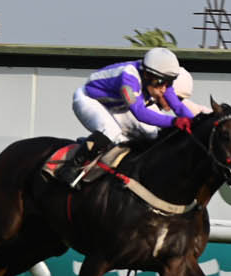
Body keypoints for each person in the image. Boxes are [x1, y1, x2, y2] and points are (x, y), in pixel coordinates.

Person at [57, 46, 195, 186]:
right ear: (147, 75)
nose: (164, 89)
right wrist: (174, 121)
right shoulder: (128, 78)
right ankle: (71, 167)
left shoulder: (158, 78)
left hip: (115, 105)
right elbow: (139, 112)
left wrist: (196, 121)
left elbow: (178, 106)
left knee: (151, 134)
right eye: (160, 82)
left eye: (169, 82)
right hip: (89, 99)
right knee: (111, 131)